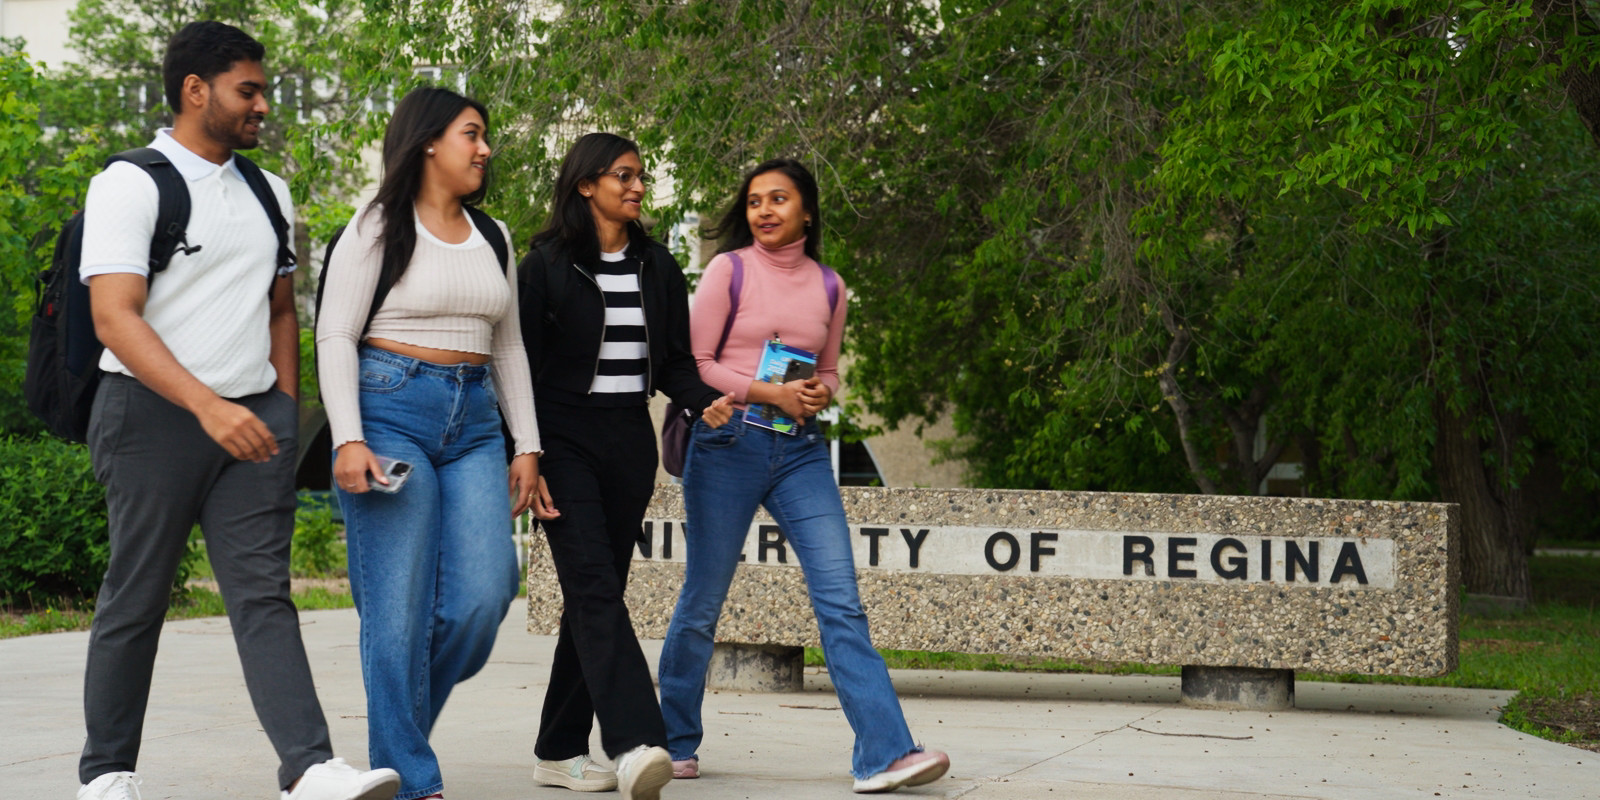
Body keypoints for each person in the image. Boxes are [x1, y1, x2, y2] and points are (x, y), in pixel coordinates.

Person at [76, 20, 400, 800]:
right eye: (247, 90)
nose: (262, 105)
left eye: (262, 90)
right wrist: (208, 406)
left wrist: (283, 407)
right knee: (138, 594)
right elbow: (115, 317)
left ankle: (309, 766)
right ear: (196, 91)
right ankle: (106, 774)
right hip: (150, 415)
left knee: (262, 594)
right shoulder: (130, 181)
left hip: (253, 421)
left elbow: (282, 308)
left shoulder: (267, 189)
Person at [656, 159, 951, 793]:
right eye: (756, 200)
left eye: (779, 199)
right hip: (727, 443)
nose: (764, 210)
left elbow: (833, 371)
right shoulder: (727, 271)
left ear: (807, 211)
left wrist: (817, 395)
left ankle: (885, 753)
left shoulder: (831, 286)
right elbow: (697, 363)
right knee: (703, 602)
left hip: (800, 451)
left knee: (840, 601)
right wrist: (769, 391)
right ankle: (673, 739)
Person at [315, 86, 542, 800]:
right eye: (472, 134)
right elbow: (334, 335)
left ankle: (396, 738)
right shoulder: (375, 227)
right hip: (389, 412)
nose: (484, 149)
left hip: (475, 423)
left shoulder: (494, 235)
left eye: (484, 136)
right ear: (427, 144)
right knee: (397, 608)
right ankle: (413, 778)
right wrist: (348, 439)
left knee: (485, 593)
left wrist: (527, 445)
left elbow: (509, 346)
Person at [516, 132, 732, 800]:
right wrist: (524, 452)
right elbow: (516, 366)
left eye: (641, 176)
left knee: (597, 590)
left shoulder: (657, 266)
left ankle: (557, 749)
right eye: (625, 176)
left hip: (626, 442)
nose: (638, 187)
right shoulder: (545, 265)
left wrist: (704, 401)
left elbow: (671, 361)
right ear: (586, 184)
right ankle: (638, 739)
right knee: (592, 586)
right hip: (561, 438)